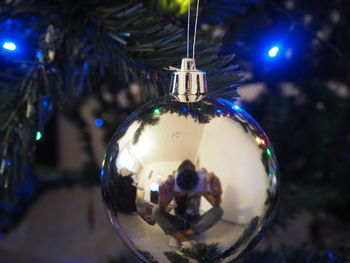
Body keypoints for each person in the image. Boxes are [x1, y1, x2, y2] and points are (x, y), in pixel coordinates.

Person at [152, 160, 223, 249]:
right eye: (184, 175)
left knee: (218, 210)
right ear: (178, 175)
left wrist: (217, 194)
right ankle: (185, 240)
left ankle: (180, 235)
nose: (187, 178)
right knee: (156, 210)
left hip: (195, 220)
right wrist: (162, 198)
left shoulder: (198, 184)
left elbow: (215, 204)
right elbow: (162, 208)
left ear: (195, 175)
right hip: (178, 220)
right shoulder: (175, 185)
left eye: (190, 175)